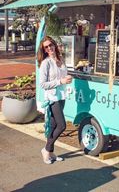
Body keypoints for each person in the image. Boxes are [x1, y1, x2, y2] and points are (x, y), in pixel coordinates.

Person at [37, 36, 72, 164]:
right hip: (52, 97)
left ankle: (50, 152)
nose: (49, 48)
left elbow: (62, 76)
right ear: (44, 50)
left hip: (62, 95)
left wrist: (67, 78)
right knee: (62, 125)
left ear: (54, 45)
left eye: (50, 45)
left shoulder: (60, 59)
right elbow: (43, 84)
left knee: (53, 125)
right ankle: (46, 150)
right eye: (46, 47)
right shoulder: (45, 63)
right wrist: (60, 81)